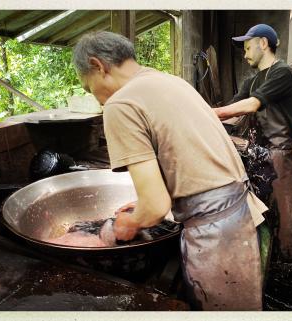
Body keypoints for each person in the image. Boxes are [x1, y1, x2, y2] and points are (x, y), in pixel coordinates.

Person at [72, 31, 269, 310]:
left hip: (216, 236)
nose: (95, 99)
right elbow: (189, 161)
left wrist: (129, 222)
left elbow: (154, 206)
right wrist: (149, 204)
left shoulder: (119, 104)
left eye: (87, 87)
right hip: (243, 214)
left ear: (98, 66)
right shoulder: (170, 81)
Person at [214, 24, 292, 283]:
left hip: (277, 151)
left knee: (287, 209)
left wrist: (210, 114)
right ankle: (269, 255)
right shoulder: (251, 80)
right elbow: (233, 109)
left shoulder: (282, 73)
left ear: (263, 43)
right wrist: (207, 116)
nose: (244, 53)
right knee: (261, 206)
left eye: (247, 47)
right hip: (257, 151)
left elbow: (251, 105)